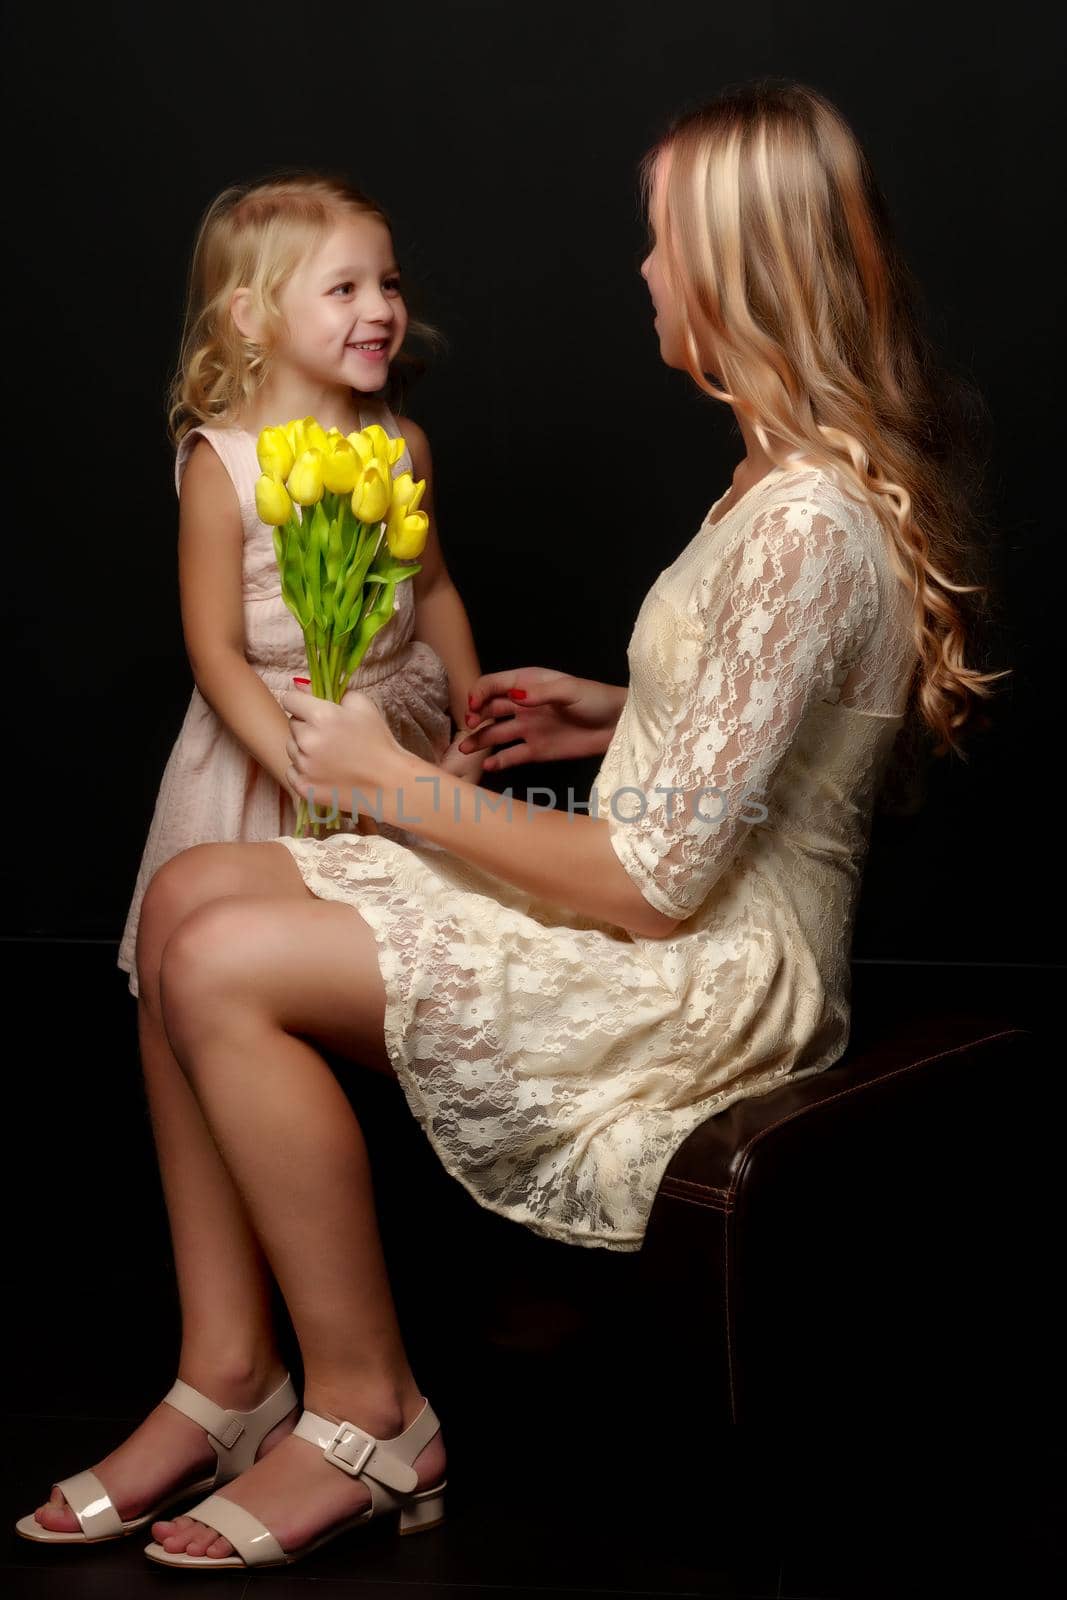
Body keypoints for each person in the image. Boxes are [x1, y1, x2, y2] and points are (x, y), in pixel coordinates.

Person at [18, 80, 1007, 1570]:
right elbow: (791, 720)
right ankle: (227, 1374)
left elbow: (654, 888)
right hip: (670, 889)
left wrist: (394, 780)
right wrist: (616, 714)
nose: (641, 269)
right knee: (187, 895)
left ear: (732, 265)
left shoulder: (802, 518)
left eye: (659, 237)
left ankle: (368, 1411)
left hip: (707, 974)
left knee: (219, 954)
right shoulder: (778, 481)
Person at [115, 171, 489, 997]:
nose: (382, 308)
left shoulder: (402, 447)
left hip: (391, 741)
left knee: (399, 972)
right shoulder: (228, 466)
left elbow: (429, 591)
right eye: (344, 288)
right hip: (272, 754)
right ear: (253, 317)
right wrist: (301, 769)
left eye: (387, 283)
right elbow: (213, 653)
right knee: (216, 969)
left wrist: (475, 717)